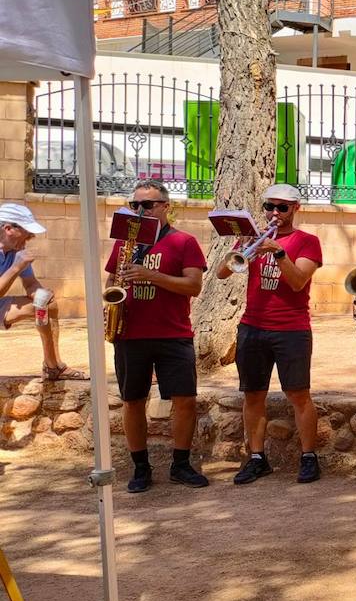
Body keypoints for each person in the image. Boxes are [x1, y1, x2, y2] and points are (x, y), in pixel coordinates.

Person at [214, 184, 325, 486]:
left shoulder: (307, 242)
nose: (275, 213)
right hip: (253, 327)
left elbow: (298, 281)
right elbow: (223, 273)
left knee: (298, 394)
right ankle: (257, 458)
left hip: (291, 329)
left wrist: (278, 253)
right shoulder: (254, 238)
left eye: (282, 207)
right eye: (269, 206)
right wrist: (240, 246)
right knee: (253, 394)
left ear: (296, 209)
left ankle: (308, 457)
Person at [104, 180, 207, 493]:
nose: (140, 211)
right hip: (130, 333)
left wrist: (152, 275)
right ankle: (140, 467)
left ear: (165, 206)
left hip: (172, 333)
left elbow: (193, 286)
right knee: (133, 401)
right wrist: (111, 299)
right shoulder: (125, 243)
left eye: (147, 205)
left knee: (185, 401)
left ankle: (181, 464)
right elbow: (111, 281)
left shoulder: (184, 242)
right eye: (135, 205)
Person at [0, 203, 86, 382]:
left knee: (48, 305)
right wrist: (16, 267)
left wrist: (39, 294)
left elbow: (30, 283)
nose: (29, 239)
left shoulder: (16, 252)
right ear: (8, 229)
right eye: (26, 235)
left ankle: (52, 366)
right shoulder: (18, 258)